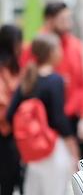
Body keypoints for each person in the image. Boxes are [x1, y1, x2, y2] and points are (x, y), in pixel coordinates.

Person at [7, 34, 80, 195]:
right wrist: (74, 150)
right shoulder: (55, 80)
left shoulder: (27, 79)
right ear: (52, 52)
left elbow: (10, 114)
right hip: (52, 147)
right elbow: (59, 120)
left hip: (30, 150)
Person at [19, 2, 83, 160]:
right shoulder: (32, 48)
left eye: (69, 19)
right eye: (63, 20)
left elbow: (82, 84)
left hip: (71, 119)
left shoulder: (76, 46)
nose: (68, 24)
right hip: (42, 122)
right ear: (49, 20)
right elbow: (24, 84)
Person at [0, 25, 23, 195]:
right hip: (6, 132)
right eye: (19, 42)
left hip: (18, 131)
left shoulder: (16, 67)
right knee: (7, 181)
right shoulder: (3, 70)